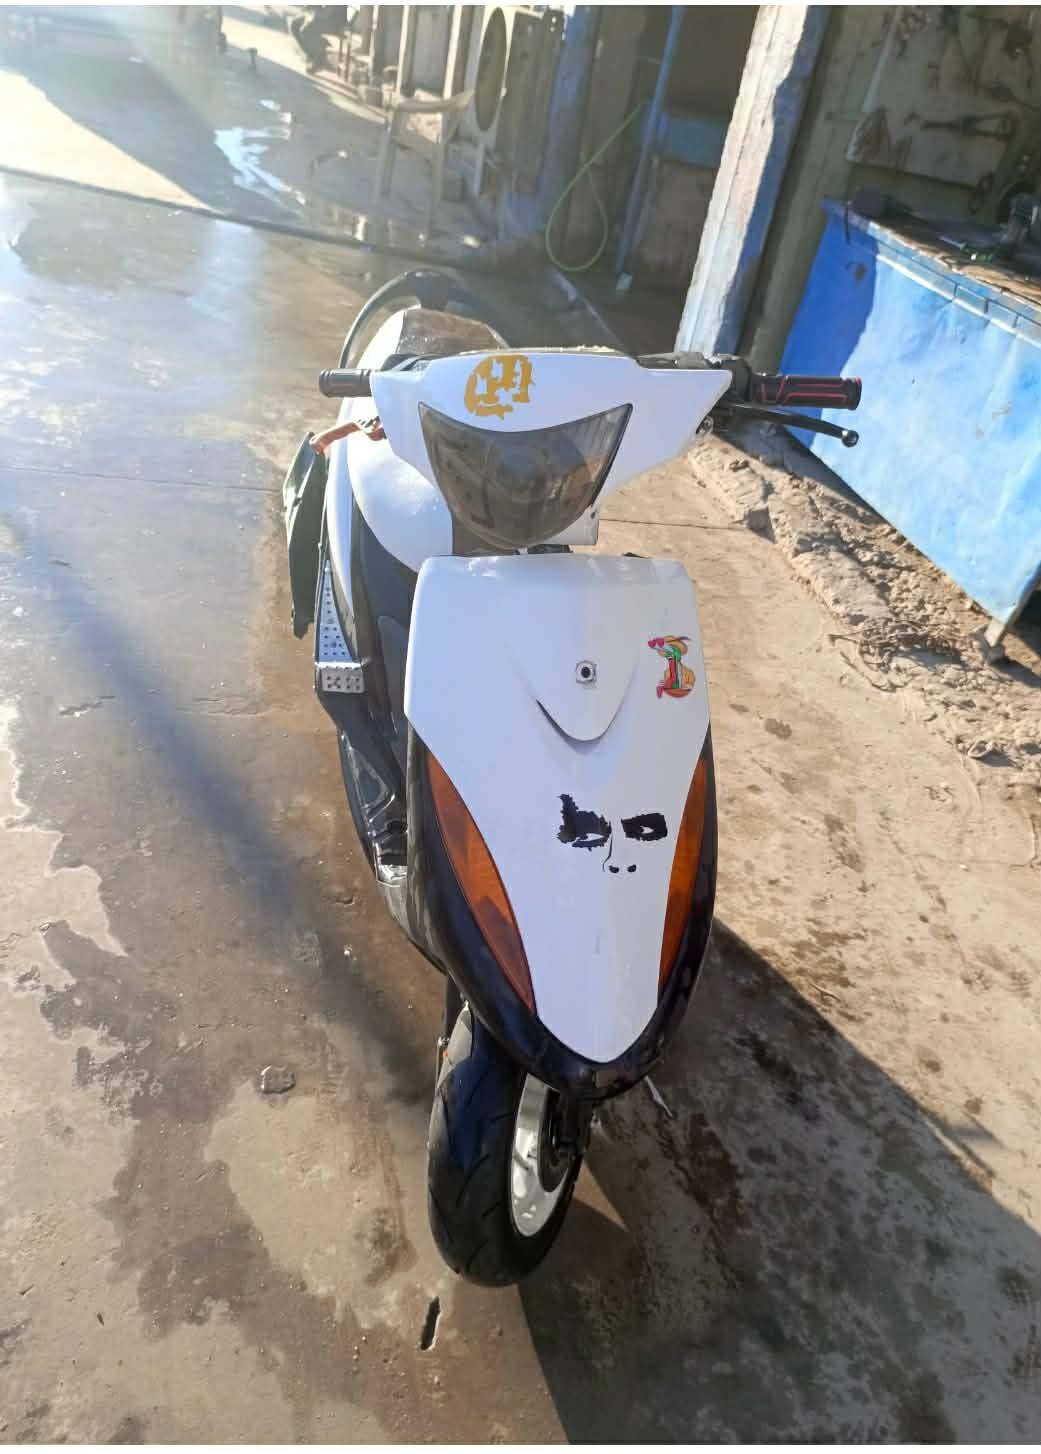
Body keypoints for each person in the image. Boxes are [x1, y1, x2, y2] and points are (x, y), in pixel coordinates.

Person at [288, 5, 352, 74]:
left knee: (306, 29)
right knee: (294, 24)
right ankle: (313, 56)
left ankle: (319, 61)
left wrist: (311, 13)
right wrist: (309, 10)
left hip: (334, 21)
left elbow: (325, 13)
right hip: (320, 16)